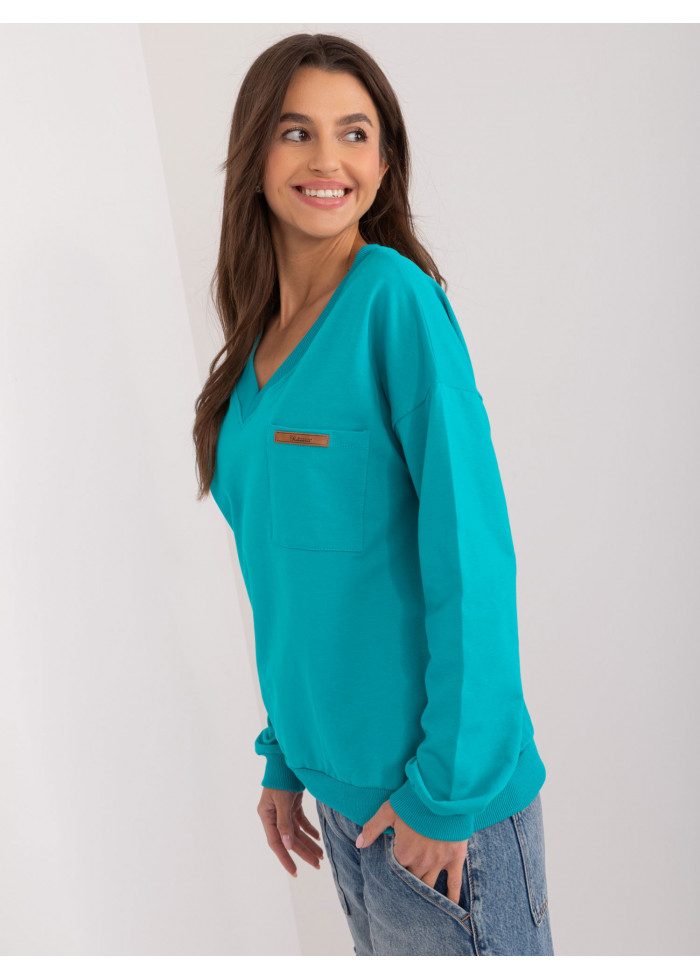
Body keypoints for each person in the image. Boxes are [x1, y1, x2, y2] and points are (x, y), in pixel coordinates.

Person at [193, 32, 554, 956]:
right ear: (255, 156)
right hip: (344, 803)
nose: (328, 160)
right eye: (297, 132)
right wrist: (286, 753)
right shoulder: (253, 353)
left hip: (438, 809)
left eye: (354, 133)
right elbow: (291, 583)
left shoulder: (397, 303)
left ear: (384, 162)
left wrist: (446, 792)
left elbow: (472, 556)